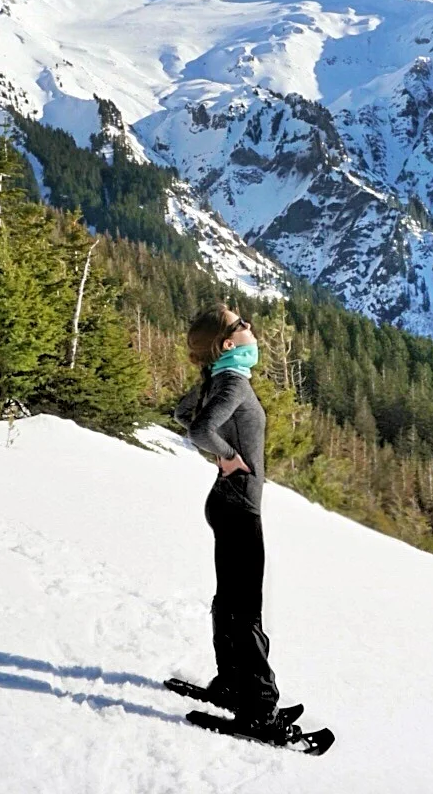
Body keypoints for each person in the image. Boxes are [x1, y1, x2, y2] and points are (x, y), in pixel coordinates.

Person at [174, 304, 284, 732]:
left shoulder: (219, 379)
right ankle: (258, 705)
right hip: (239, 505)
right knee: (246, 608)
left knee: (230, 600)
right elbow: (198, 429)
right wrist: (229, 457)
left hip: (228, 503)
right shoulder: (233, 381)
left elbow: (186, 414)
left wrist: (224, 455)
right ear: (226, 344)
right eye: (241, 325)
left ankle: (231, 682)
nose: (249, 326)